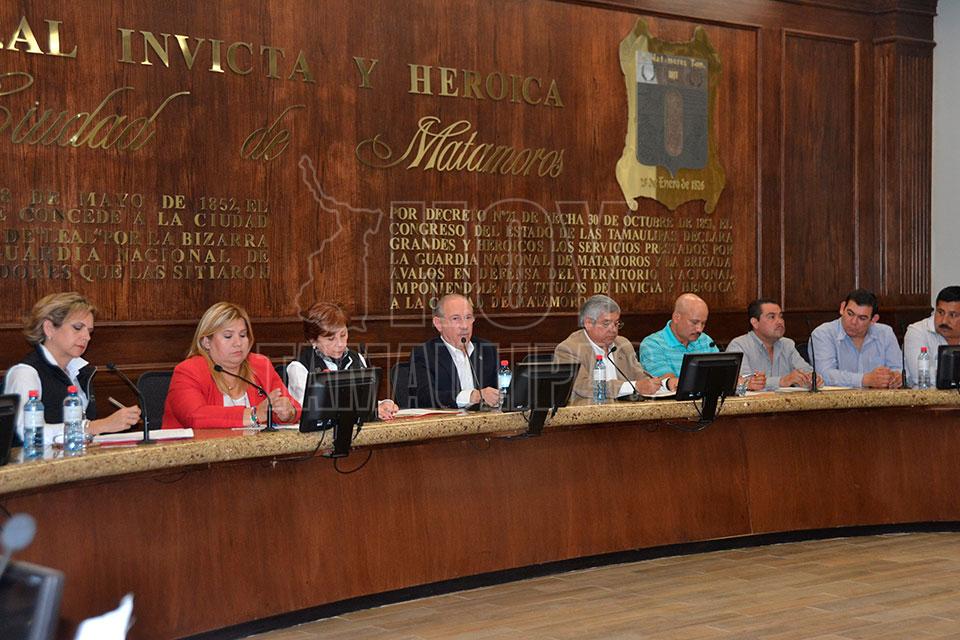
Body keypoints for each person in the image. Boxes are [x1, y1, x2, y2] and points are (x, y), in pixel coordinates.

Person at [3, 292, 141, 444]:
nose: (87, 337)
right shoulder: (25, 373)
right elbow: (28, 433)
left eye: (89, 331)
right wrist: (97, 426)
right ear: (49, 328)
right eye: (78, 328)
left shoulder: (79, 373)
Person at [163, 302, 299, 429]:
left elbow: (295, 408)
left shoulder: (260, 365)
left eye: (243, 335)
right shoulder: (189, 371)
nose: (238, 343)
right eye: (228, 336)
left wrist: (288, 412)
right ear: (206, 342)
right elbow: (195, 417)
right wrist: (254, 414)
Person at [286, 302, 398, 420]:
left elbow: (362, 399)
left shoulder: (357, 358)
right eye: (331, 339)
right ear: (313, 340)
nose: (340, 344)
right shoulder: (299, 367)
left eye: (343, 335)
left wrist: (381, 405)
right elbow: (308, 410)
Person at [554, 295, 671, 401]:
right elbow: (583, 386)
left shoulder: (622, 344)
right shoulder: (568, 349)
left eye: (616, 323)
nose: (614, 330)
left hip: (628, 412)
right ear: (588, 323)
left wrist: (666, 384)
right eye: (606, 323)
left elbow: (640, 376)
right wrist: (633, 386)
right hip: (587, 414)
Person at [409, 294, 498, 409]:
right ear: (438, 323)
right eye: (456, 318)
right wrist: (472, 396)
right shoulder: (424, 354)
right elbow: (425, 397)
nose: (464, 326)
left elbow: (502, 389)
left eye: (468, 317)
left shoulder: (486, 349)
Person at [809, 289, 903, 388]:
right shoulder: (823, 334)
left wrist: (896, 377)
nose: (853, 322)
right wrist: (865, 380)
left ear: (873, 320)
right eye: (850, 314)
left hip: (881, 396)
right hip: (837, 397)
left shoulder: (885, 333)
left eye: (862, 318)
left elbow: (900, 369)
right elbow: (824, 374)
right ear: (842, 308)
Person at [725, 299, 821, 391]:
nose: (780, 321)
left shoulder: (787, 345)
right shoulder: (739, 346)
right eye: (772, 317)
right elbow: (742, 382)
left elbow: (806, 371)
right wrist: (782, 381)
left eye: (781, 316)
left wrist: (811, 379)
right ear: (755, 323)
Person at [639, 293, 718, 377]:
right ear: (676, 318)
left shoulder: (706, 341)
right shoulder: (653, 344)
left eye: (703, 323)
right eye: (694, 322)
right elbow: (666, 382)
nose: (699, 329)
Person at [903, 285, 960, 387]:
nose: (944, 321)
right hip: (926, 396)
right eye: (940, 312)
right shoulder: (917, 331)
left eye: (953, 315)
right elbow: (921, 376)